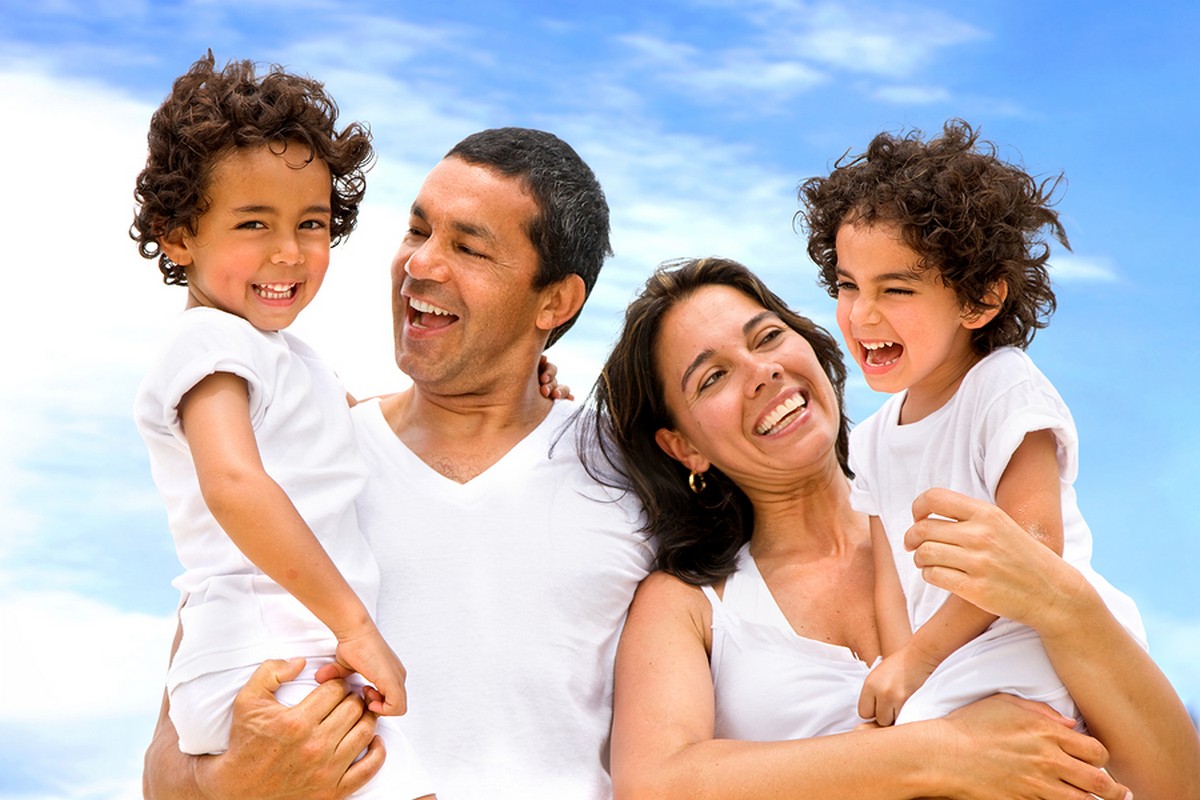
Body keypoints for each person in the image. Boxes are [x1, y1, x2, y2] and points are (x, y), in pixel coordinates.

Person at [142, 126, 656, 799]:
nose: (421, 265)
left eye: (468, 247)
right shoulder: (298, 462)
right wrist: (228, 783)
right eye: (417, 232)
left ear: (556, 301)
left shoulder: (636, 479)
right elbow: (163, 767)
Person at [588, 256, 1199, 798]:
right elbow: (655, 786)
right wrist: (944, 752)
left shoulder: (964, 510)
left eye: (769, 337)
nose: (762, 372)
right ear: (683, 446)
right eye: (712, 377)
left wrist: (1060, 600)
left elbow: (1174, 785)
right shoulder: (691, 604)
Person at [131, 53, 433, 799]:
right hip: (267, 653)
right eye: (253, 222)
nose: (288, 252)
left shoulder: (282, 356)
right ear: (178, 237)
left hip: (291, 649)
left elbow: (355, 428)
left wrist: (528, 387)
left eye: (311, 223)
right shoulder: (207, 343)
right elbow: (234, 482)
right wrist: (355, 625)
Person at [796, 120, 1143, 729]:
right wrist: (901, 664)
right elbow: (891, 583)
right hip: (952, 658)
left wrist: (921, 662)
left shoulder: (1001, 387)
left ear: (979, 300)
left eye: (897, 288)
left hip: (1036, 636)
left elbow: (1034, 548)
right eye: (848, 286)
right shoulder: (874, 439)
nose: (862, 314)